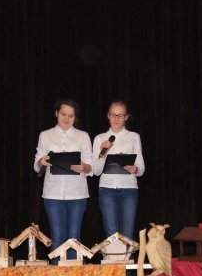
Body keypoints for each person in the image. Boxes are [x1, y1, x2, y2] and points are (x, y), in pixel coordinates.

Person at [34, 100, 93, 263]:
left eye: (71, 116)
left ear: (75, 117)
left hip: (77, 194)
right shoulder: (45, 135)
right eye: (63, 114)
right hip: (53, 194)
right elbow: (36, 165)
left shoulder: (83, 136)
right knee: (57, 238)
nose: (67, 119)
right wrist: (41, 162)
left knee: (74, 239)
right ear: (56, 114)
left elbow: (91, 166)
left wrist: (83, 167)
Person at [92, 100, 145, 241]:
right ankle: (114, 256)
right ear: (108, 116)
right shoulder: (99, 138)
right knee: (112, 235)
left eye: (120, 115)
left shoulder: (134, 137)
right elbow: (96, 171)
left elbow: (141, 168)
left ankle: (126, 256)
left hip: (129, 189)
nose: (116, 119)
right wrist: (103, 152)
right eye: (113, 115)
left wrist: (135, 169)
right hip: (107, 190)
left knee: (127, 234)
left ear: (126, 117)